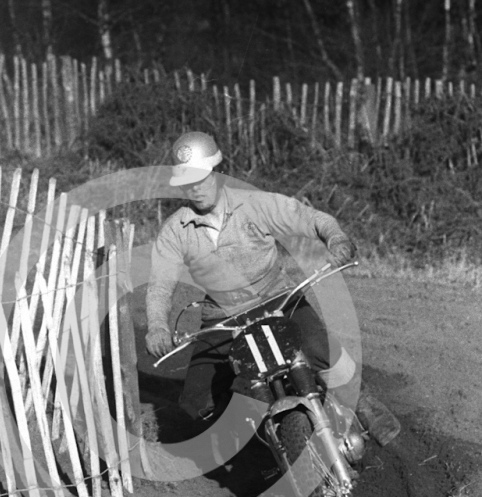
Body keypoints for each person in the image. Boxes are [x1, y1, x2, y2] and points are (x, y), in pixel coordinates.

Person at [145, 130, 400, 446]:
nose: (196, 189)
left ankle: (362, 402)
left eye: (202, 179)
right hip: (222, 317)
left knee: (325, 353)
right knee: (196, 400)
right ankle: (250, 439)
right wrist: (156, 325)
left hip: (278, 298)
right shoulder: (175, 231)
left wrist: (335, 238)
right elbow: (159, 286)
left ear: (216, 172)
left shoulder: (253, 204)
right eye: (188, 182)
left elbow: (311, 218)